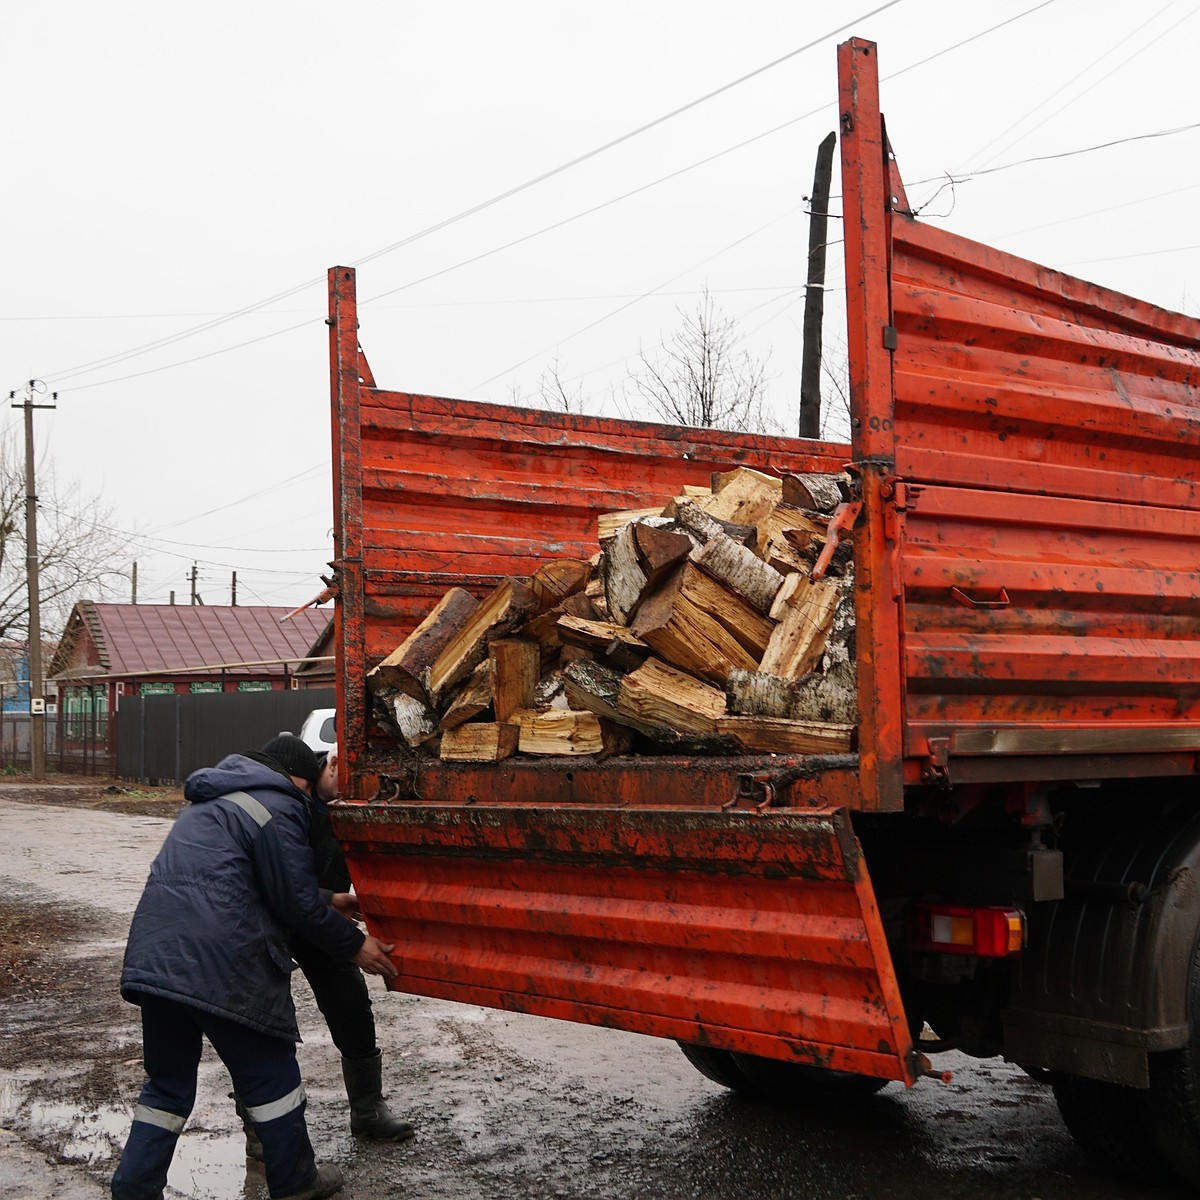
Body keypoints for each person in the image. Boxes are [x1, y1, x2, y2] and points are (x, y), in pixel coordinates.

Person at [110, 735, 398, 1200]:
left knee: (166, 1086)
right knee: (271, 1075)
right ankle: (297, 1181)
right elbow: (295, 904)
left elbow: (242, 875)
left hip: (157, 959)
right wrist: (356, 946)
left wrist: (331, 900)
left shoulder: (214, 802)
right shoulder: (278, 805)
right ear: (300, 780)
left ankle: (133, 1190)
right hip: (223, 960)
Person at [238, 739, 414, 1156]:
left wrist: (331, 900)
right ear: (333, 765)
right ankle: (259, 1131)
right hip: (272, 919)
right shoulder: (285, 794)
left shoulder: (349, 797)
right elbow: (276, 883)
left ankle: (368, 1109)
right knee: (260, 1019)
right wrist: (334, 919)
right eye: (349, 784)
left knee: (350, 1003)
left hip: (317, 916)